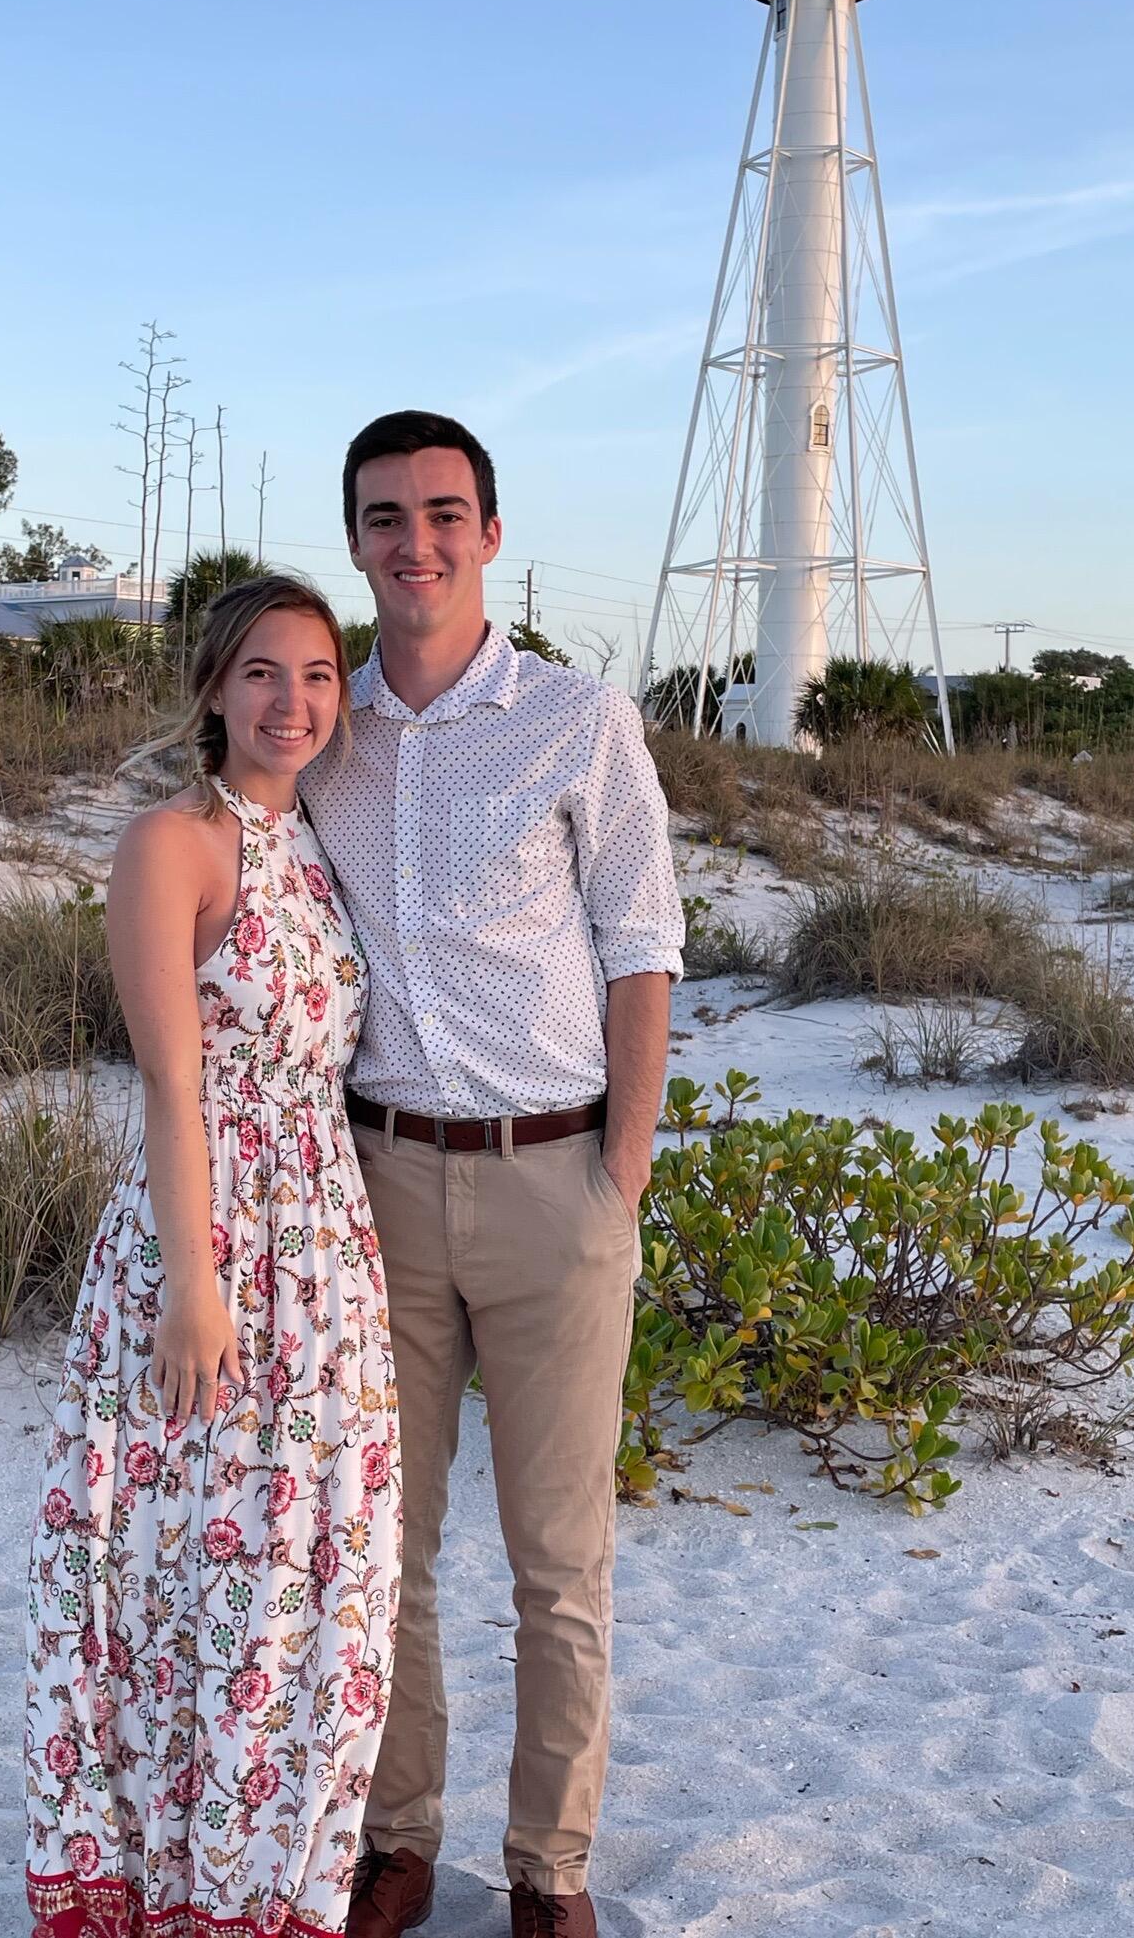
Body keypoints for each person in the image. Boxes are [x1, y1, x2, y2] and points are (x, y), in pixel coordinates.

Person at [301, 412, 683, 1938]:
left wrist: (623, 1177)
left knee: (559, 1556)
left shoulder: (580, 718)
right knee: (382, 1541)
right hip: (379, 1179)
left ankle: (551, 1868)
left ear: (491, 534)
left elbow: (643, 946)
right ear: (356, 540)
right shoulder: (323, 729)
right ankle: (396, 1837)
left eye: (445, 513)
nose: (418, 542)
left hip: (555, 1180)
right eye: (386, 516)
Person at [25, 575, 401, 1938]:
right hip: (208, 1242)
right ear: (211, 688)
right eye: (259, 672)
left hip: (325, 1251)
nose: (290, 701)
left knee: (315, 1578)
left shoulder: (317, 844)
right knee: (178, 1567)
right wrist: (195, 1288)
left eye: (315, 674)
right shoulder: (170, 845)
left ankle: (267, 1883)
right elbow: (173, 1087)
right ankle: (165, 1884)